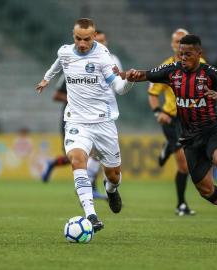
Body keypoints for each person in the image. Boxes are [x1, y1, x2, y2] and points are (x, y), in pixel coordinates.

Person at [124, 35, 217, 239]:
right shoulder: (172, 71)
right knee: (205, 190)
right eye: (180, 54)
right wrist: (127, 74)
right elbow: (146, 74)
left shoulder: (210, 73)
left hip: (213, 130)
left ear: (199, 54)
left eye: (188, 54)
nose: (183, 57)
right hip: (189, 138)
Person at [36, 18, 133, 232]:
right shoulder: (65, 52)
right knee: (77, 160)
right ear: (73, 36)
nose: (81, 43)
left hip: (103, 123)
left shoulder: (103, 56)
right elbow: (57, 65)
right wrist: (45, 79)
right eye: (78, 38)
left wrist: (130, 80)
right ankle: (91, 215)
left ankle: (111, 190)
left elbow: (118, 87)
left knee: (113, 174)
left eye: (86, 39)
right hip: (76, 121)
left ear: (94, 36)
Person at [41, 29, 123, 201]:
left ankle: (56, 165)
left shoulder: (112, 61)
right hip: (77, 117)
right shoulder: (73, 63)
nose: (99, 44)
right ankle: (90, 190)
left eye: (102, 41)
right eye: (97, 41)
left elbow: (118, 85)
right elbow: (56, 94)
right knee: (83, 156)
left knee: (92, 157)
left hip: (103, 116)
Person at [147, 28, 203, 216]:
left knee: (195, 159)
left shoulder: (201, 65)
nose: (180, 46)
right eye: (176, 42)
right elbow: (153, 94)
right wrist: (157, 112)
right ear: (173, 45)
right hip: (171, 119)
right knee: (184, 165)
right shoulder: (166, 67)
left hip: (191, 118)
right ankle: (181, 204)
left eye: (183, 42)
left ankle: (168, 148)